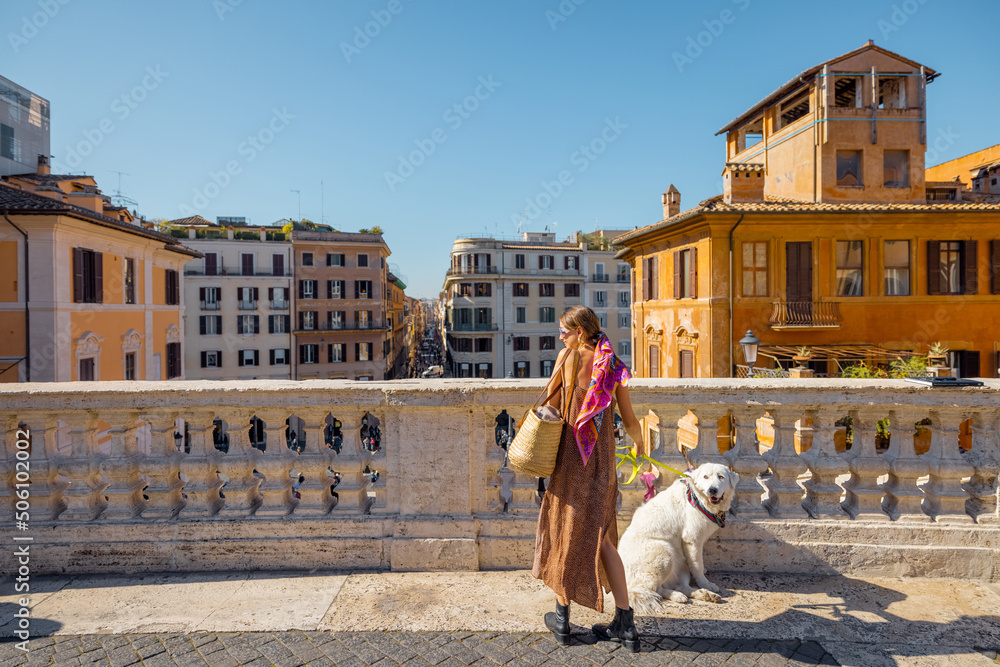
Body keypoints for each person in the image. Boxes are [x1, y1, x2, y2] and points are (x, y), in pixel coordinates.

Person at [531, 305, 644, 652]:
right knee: (603, 537)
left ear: (579, 332)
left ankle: (562, 619)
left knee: (564, 528)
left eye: (564, 331)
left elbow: (549, 408)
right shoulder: (612, 366)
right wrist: (640, 448)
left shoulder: (567, 360)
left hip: (569, 459)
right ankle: (626, 625)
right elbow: (629, 419)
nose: (560, 336)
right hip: (602, 463)